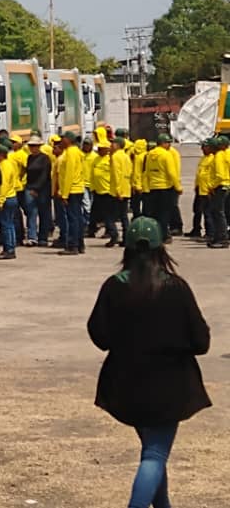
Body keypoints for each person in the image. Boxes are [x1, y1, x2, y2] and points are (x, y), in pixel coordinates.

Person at [87, 217, 211, 508]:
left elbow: (99, 334)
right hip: (170, 385)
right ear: (161, 249)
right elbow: (201, 342)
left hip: (125, 383)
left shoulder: (114, 286)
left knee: (152, 450)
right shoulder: (176, 288)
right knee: (155, 454)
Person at [144, 134, 181, 244]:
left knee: (154, 213)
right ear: (163, 143)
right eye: (168, 143)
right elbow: (171, 172)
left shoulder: (150, 154)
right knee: (164, 213)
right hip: (165, 187)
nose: (169, 145)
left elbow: (147, 172)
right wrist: (177, 186)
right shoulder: (166, 155)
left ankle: (155, 234)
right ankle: (165, 235)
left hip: (153, 187)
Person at [57, 132, 86, 255]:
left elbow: (69, 174)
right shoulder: (78, 152)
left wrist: (64, 194)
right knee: (78, 218)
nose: (61, 142)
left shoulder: (71, 153)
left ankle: (73, 245)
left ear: (68, 140)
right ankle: (79, 244)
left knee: (72, 219)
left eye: (63, 139)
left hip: (72, 190)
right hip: (78, 188)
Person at [24, 136, 52, 246]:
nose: (32, 148)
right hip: (30, 187)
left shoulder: (45, 158)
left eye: (34, 146)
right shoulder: (29, 158)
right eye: (31, 146)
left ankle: (43, 238)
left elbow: (44, 175)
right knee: (31, 213)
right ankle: (32, 237)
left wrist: (36, 189)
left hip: (43, 189)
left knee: (44, 213)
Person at [0, 144, 20, 260]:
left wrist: (0, 201)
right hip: (12, 196)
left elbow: (3, 185)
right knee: (10, 224)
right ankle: (11, 247)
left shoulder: (3, 166)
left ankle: (8, 249)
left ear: (1, 155)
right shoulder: (10, 164)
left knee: (5, 225)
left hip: (6, 198)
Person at [107, 137, 133, 247]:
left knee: (109, 216)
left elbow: (117, 174)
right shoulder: (126, 156)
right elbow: (129, 172)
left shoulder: (116, 156)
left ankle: (114, 235)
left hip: (117, 191)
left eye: (112, 144)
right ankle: (126, 238)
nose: (111, 146)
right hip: (126, 189)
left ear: (118, 145)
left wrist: (118, 190)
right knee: (123, 216)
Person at [188, 139, 215, 239]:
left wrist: (210, 188)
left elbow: (211, 176)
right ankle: (196, 230)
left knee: (208, 213)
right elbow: (200, 174)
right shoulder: (204, 158)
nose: (202, 149)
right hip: (200, 189)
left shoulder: (213, 159)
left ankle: (210, 233)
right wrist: (196, 186)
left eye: (204, 147)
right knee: (197, 210)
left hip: (207, 190)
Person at [208, 135, 230, 249]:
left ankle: (222, 238)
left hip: (220, 186)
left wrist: (212, 186)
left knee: (217, 212)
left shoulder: (219, 156)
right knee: (219, 212)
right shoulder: (226, 154)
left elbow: (220, 175)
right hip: (225, 186)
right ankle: (219, 236)